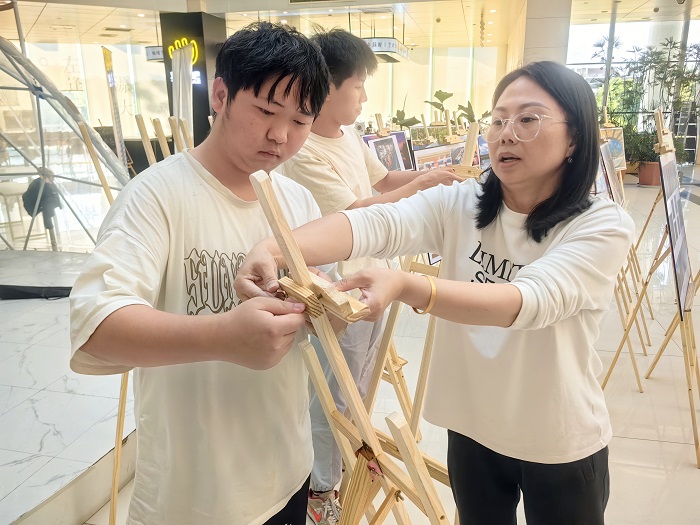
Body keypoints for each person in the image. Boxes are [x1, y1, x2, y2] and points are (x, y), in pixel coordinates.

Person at [235, 61, 635, 524]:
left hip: (557, 437)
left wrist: (410, 286)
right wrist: (275, 248)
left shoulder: (601, 225)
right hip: (472, 427)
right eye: (498, 120)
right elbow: (378, 223)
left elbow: (530, 301)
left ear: (575, 138)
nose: (506, 133)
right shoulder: (463, 202)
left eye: (528, 119)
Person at [69, 22, 334, 525]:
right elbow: (94, 328)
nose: (281, 136)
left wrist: (331, 308)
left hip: (286, 471)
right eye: (266, 111)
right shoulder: (156, 196)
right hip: (193, 498)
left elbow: (318, 321)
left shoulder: (297, 201)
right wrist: (222, 335)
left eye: (301, 120)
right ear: (220, 95)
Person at [279, 28, 461, 524]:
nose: (363, 98)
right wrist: (423, 185)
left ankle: (342, 468)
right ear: (328, 87)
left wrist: (433, 177)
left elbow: (383, 181)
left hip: (372, 280)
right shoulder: (305, 151)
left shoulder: (348, 136)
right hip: (338, 290)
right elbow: (357, 212)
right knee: (334, 396)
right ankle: (322, 489)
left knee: (358, 388)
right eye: (358, 86)